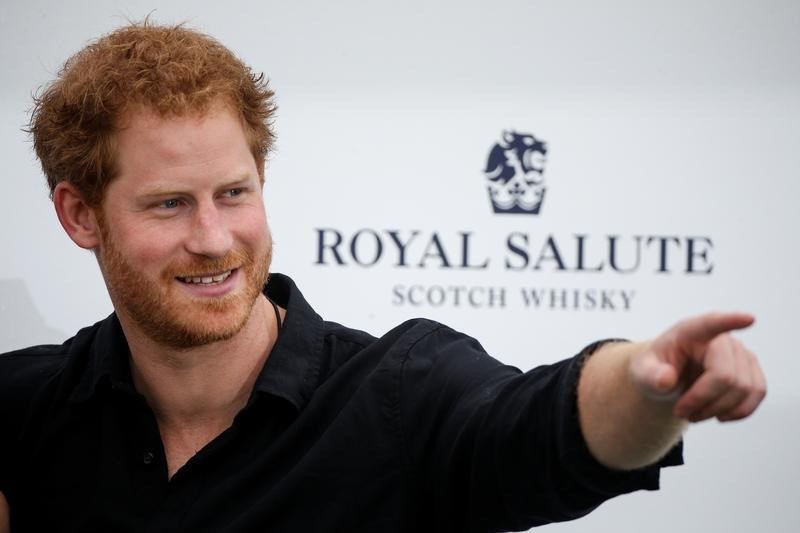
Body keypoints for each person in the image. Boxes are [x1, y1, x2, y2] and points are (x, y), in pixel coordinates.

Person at [0, 22, 766, 533]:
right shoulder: (22, 410)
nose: (214, 237)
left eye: (234, 193)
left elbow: (539, 426)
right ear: (79, 214)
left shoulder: (401, 392)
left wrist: (648, 379)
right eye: (169, 204)